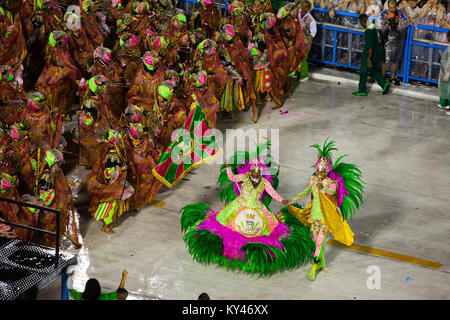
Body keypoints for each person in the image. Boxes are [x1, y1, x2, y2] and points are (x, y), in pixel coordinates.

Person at [285, 138, 364, 280]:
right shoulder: (313, 180)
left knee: (320, 241)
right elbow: (306, 192)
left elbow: (332, 193)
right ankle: (321, 261)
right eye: (318, 169)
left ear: (327, 170)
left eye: (323, 169)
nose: (320, 172)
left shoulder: (332, 183)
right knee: (316, 241)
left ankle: (314, 266)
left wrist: (324, 188)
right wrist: (292, 200)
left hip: (326, 216)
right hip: (314, 215)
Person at [352, 13, 390, 96]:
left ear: (363, 21)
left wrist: (369, 59)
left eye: (360, 22)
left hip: (370, 54)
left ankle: (362, 90)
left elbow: (370, 47)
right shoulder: (373, 27)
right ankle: (384, 84)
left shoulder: (368, 32)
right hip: (378, 53)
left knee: (363, 71)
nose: (360, 24)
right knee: (375, 71)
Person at [437, 30, 450, 113]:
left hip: (448, 72)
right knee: (444, 88)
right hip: (445, 71)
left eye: (447, 36)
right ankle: (445, 104)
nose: (446, 38)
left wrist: (447, 73)